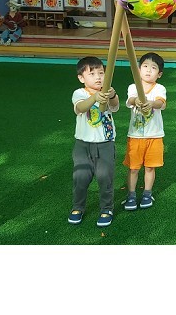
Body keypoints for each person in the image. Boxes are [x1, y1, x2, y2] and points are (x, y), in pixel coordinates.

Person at [68, 56, 119, 227]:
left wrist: (112, 95)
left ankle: (106, 209)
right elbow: (80, 108)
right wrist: (95, 98)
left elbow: (115, 106)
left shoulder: (107, 91)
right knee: (80, 177)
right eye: (92, 74)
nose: (98, 77)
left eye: (101, 73)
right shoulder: (80, 93)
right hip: (83, 144)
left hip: (105, 144)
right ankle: (78, 207)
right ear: (81, 78)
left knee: (105, 177)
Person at [122, 52, 167, 210]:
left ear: (159, 74)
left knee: (150, 167)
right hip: (135, 136)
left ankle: (147, 193)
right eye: (145, 66)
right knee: (133, 168)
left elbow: (161, 103)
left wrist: (151, 103)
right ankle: (131, 195)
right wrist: (137, 100)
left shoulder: (160, 88)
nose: (148, 70)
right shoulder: (133, 87)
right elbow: (130, 100)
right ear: (139, 70)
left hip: (154, 136)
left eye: (153, 68)